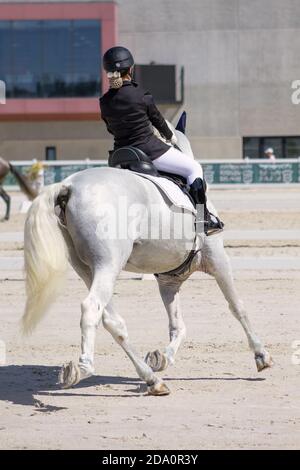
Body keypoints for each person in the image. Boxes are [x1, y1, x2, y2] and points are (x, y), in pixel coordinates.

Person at [99, 46, 223, 234]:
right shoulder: (141, 95)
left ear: (108, 72)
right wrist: (171, 137)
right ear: (130, 69)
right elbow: (158, 121)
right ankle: (202, 220)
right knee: (193, 168)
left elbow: (110, 128)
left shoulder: (105, 101)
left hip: (119, 155)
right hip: (149, 150)